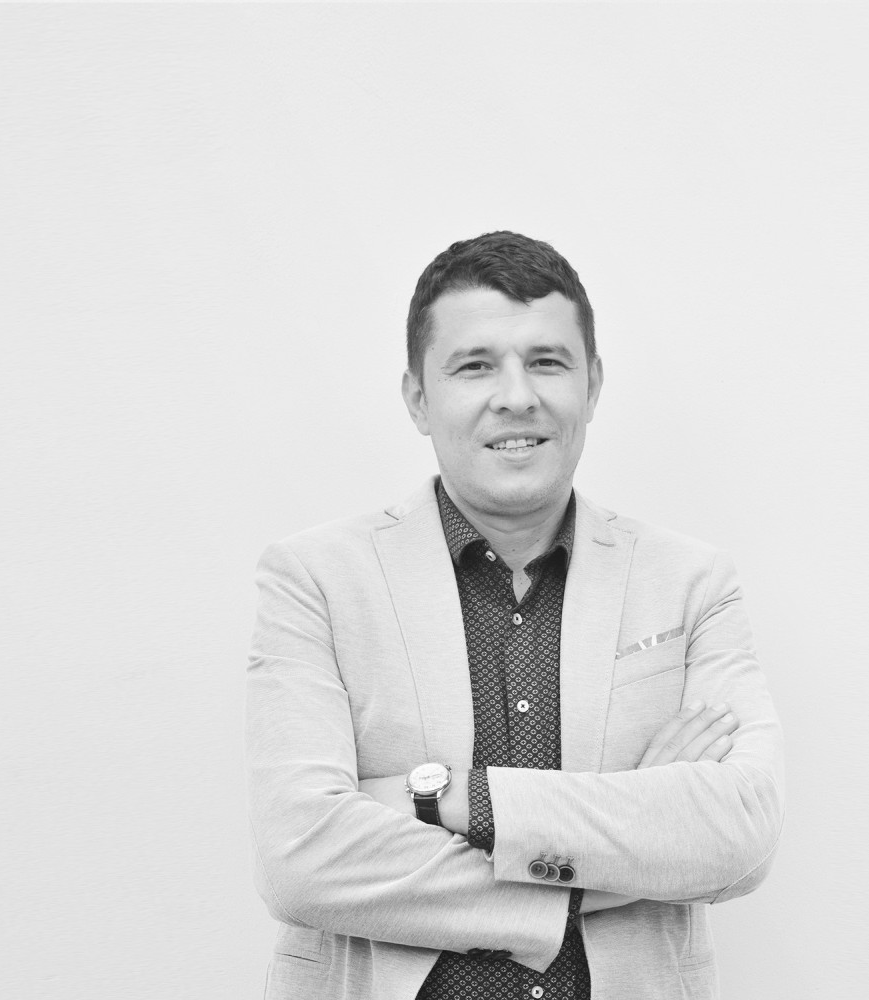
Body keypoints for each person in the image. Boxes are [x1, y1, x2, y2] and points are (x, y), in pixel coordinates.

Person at [246, 231, 785, 1000]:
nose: (517, 396)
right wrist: (621, 846)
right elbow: (301, 859)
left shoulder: (690, 584)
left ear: (592, 385)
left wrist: (450, 798)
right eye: (475, 365)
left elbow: (739, 833)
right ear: (417, 397)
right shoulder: (316, 580)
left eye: (547, 361)